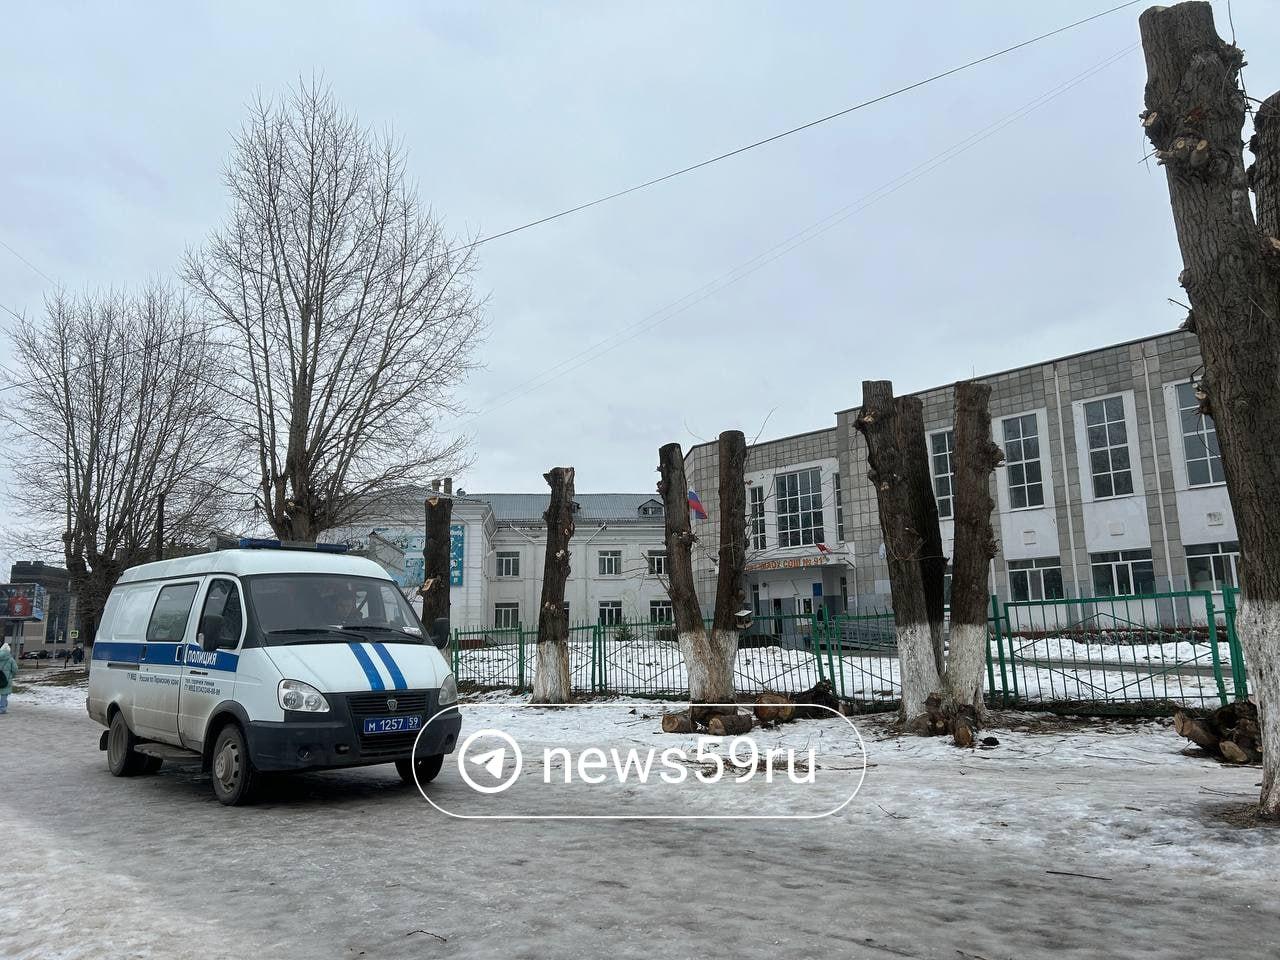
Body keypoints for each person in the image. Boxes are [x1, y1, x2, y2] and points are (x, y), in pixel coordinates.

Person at [0, 640, 17, 715]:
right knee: (4, 694)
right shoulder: (11, 659)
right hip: (6, 679)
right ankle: (2, 708)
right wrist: (12, 676)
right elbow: (15, 669)